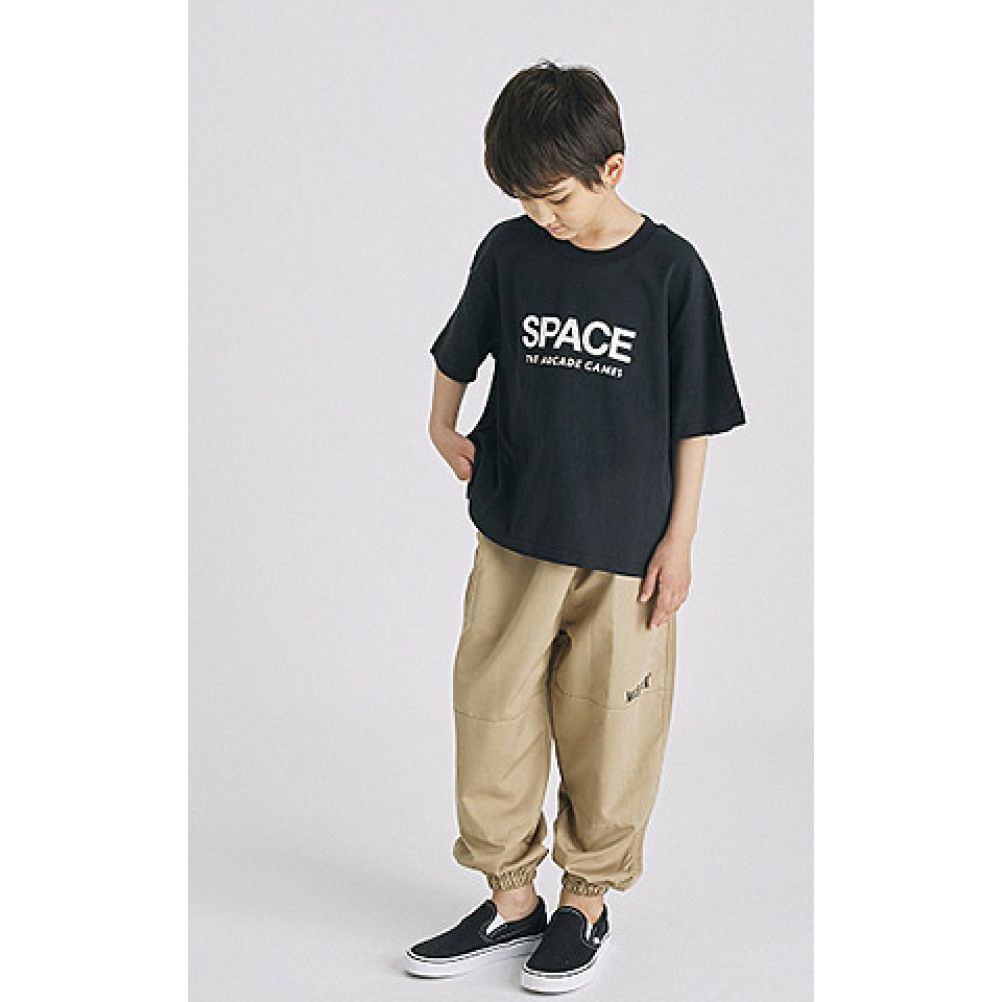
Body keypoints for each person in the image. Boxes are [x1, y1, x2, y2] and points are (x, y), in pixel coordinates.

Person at [404, 58, 746, 994]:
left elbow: (695, 418)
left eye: (554, 197)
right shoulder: (508, 253)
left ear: (612, 169)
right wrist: (441, 422)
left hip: (626, 550)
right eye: (523, 199)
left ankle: (584, 903)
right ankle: (510, 899)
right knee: (493, 715)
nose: (541, 216)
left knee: (611, 729)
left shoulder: (670, 272)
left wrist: (680, 541)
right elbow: (460, 347)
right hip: (516, 529)